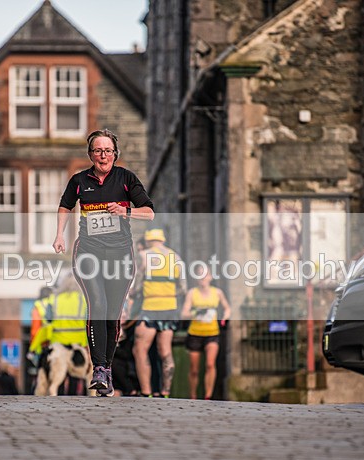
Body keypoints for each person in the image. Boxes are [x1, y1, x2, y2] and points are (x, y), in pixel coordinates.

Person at [53, 129, 154, 396]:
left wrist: (126, 210)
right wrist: (59, 235)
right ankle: (98, 367)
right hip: (88, 252)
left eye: (107, 150)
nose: (103, 155)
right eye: (98, 150)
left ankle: (106, 371)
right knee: (96, 304)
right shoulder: (79, 180)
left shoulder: (126, 179)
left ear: (115, 154)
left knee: (112, 313)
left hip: (120, 255)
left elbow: (150, 212)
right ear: (90, 155)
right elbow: (65, 205)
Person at [131, 228, 186, 397]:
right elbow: (183, 288)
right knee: (165, 351)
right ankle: (165, 391)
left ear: (148, 241)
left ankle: (146, 391)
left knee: (140, 349)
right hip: (169, 307)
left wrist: (133, 294)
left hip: (150, 307)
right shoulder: (176, 258)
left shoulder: (143, 256)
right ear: (163, 241)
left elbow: (138, 284)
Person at [180, 268, 231, 400]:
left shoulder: (217, 292)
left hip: (212, 333)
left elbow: (227, 308)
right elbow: (184, 313)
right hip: (195, 333)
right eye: (200, 274)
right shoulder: (192, 293)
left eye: (205, 274)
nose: (203, 277)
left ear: (211, 277)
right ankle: (193, 395)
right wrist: (195, 313)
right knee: (194, 369)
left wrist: (225, 318)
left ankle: (208, 396)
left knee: (210, 364)